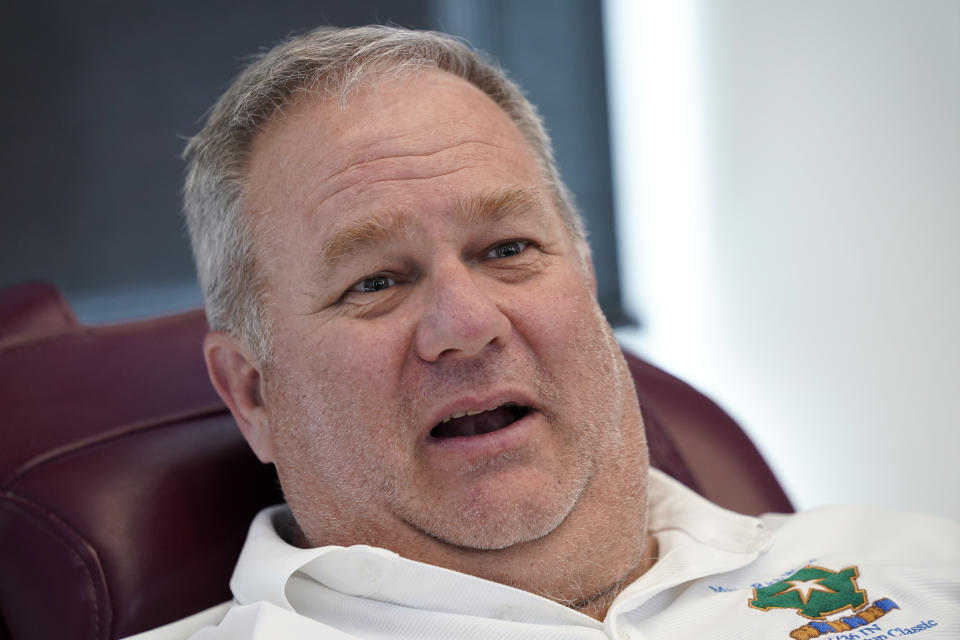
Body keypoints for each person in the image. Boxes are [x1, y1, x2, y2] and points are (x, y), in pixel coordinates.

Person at [140, 25, 956, 640]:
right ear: (254, 394)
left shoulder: (919, 562)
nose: (465, 326)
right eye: (376, 282)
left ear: (589, 283)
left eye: (508, 250)